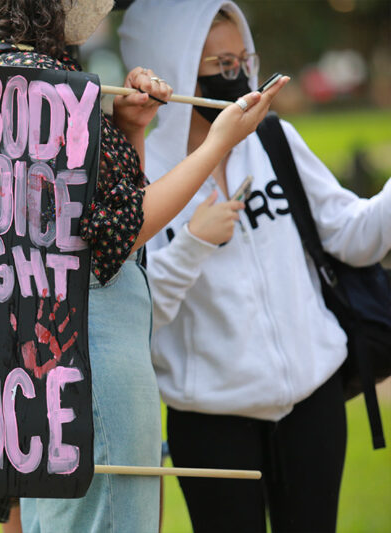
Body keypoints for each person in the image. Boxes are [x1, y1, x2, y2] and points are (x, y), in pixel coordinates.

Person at [0, 0, 287, 531]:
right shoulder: (47, 85)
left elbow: (77, 219)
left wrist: (129, 129)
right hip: (88, 352)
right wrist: (218, 143)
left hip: (31, 351)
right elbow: (113, 236)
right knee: (110, 517)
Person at [119, 1, 388, 531]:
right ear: (172, 65)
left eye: (244, 60)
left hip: (314, 404)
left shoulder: (273, 140)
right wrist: (193, 244)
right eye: (222, 65)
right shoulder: (143, 172)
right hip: (211, 423)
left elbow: (351, 236)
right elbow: (137, 315)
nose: (239, 76)